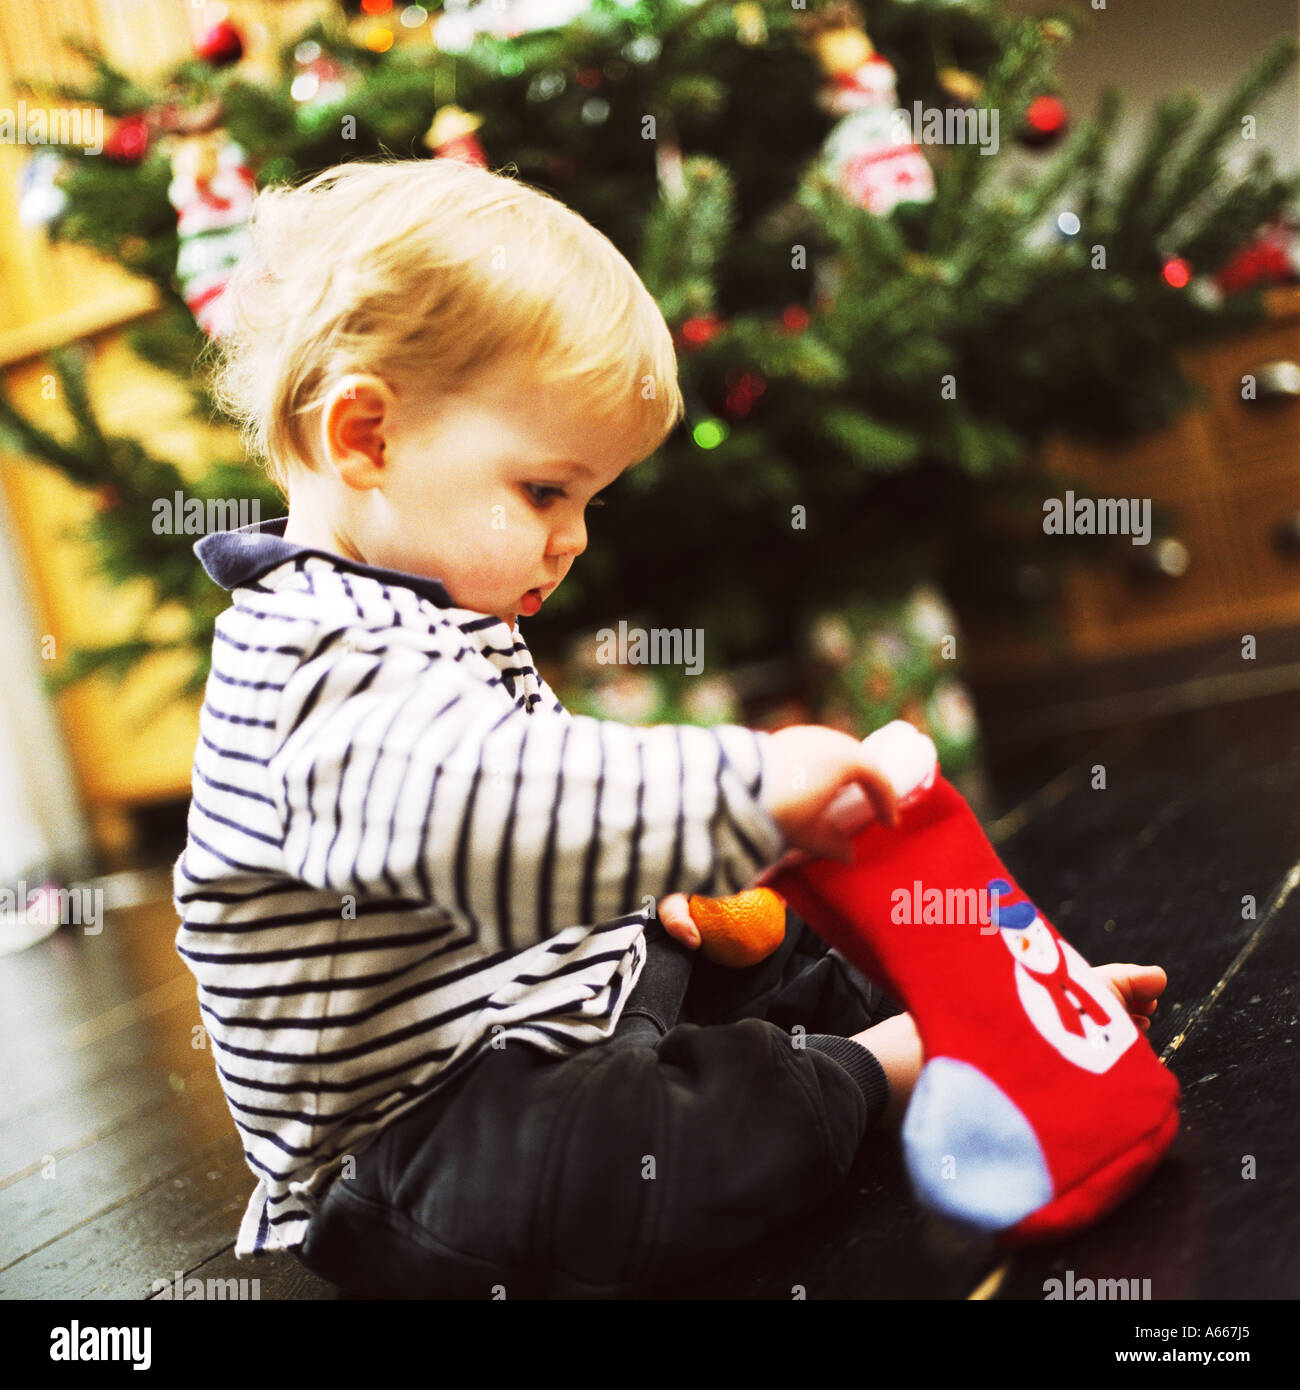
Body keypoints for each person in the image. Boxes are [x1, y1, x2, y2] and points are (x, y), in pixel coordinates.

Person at [175, 155, 1165, 1297]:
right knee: (616, 1152)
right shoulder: (310, 660)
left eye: (588, 502)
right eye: (547, 491)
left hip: (551, 1015)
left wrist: (648, 892)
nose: (573, 538)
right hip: (423, 1144)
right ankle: (888, 1068)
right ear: (365, 437)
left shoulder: (423, 613)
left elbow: (542, 813)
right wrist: (736, 788)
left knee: (755, 942)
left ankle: (988, 1025)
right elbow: (492, 814)